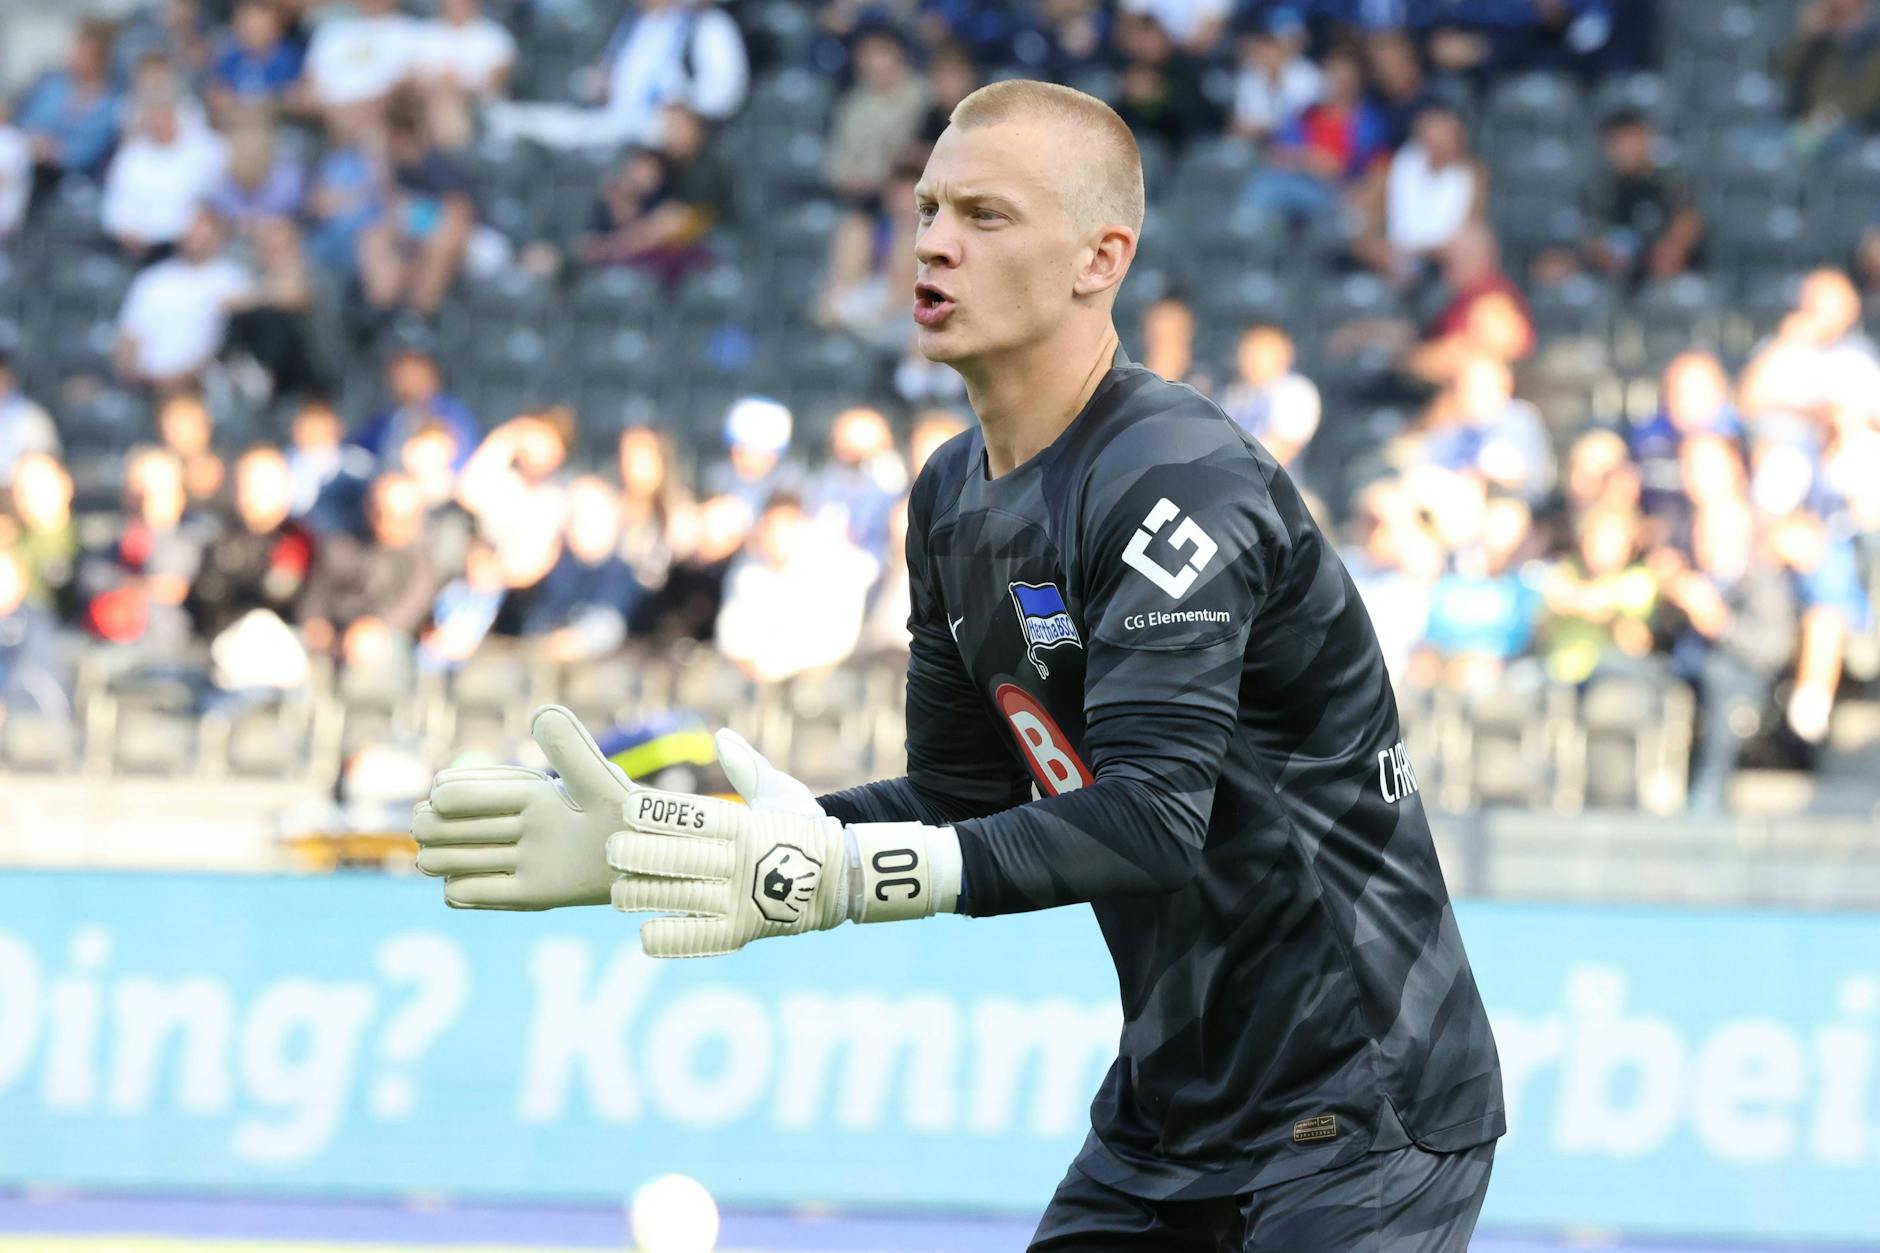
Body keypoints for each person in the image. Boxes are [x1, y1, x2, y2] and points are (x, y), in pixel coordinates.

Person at [412, 79, 1502, 1249]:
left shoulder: (1176, 475)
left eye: (984, 215)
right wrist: (676, 838)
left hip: (1360, 1102)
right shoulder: (946, 495)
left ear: (1098, 259)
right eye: (928, 208)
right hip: (1171, 1111)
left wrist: (843, 874)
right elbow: (962, 795)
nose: (933, 241)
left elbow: (1150, 820)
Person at [114, 207, 253, 390]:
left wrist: (188, 376)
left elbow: (228, 344)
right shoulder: (153, 279)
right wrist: (130, 375)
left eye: (203, 234)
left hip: (202, 386)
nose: (195, 240)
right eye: (191, 232)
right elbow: (130, 336)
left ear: (219, 238)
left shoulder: (233, 280)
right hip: (146, 385)